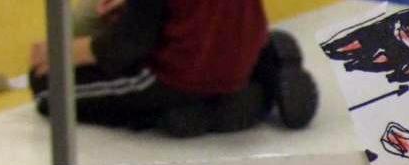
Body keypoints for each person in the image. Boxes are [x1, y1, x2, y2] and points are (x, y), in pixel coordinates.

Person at [28, 0, 317, 138]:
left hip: (181, 74)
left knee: (49, 91)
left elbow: (126, 47)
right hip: (243, 46)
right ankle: (265, 65)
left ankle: (205, 110)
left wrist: (62, 53)